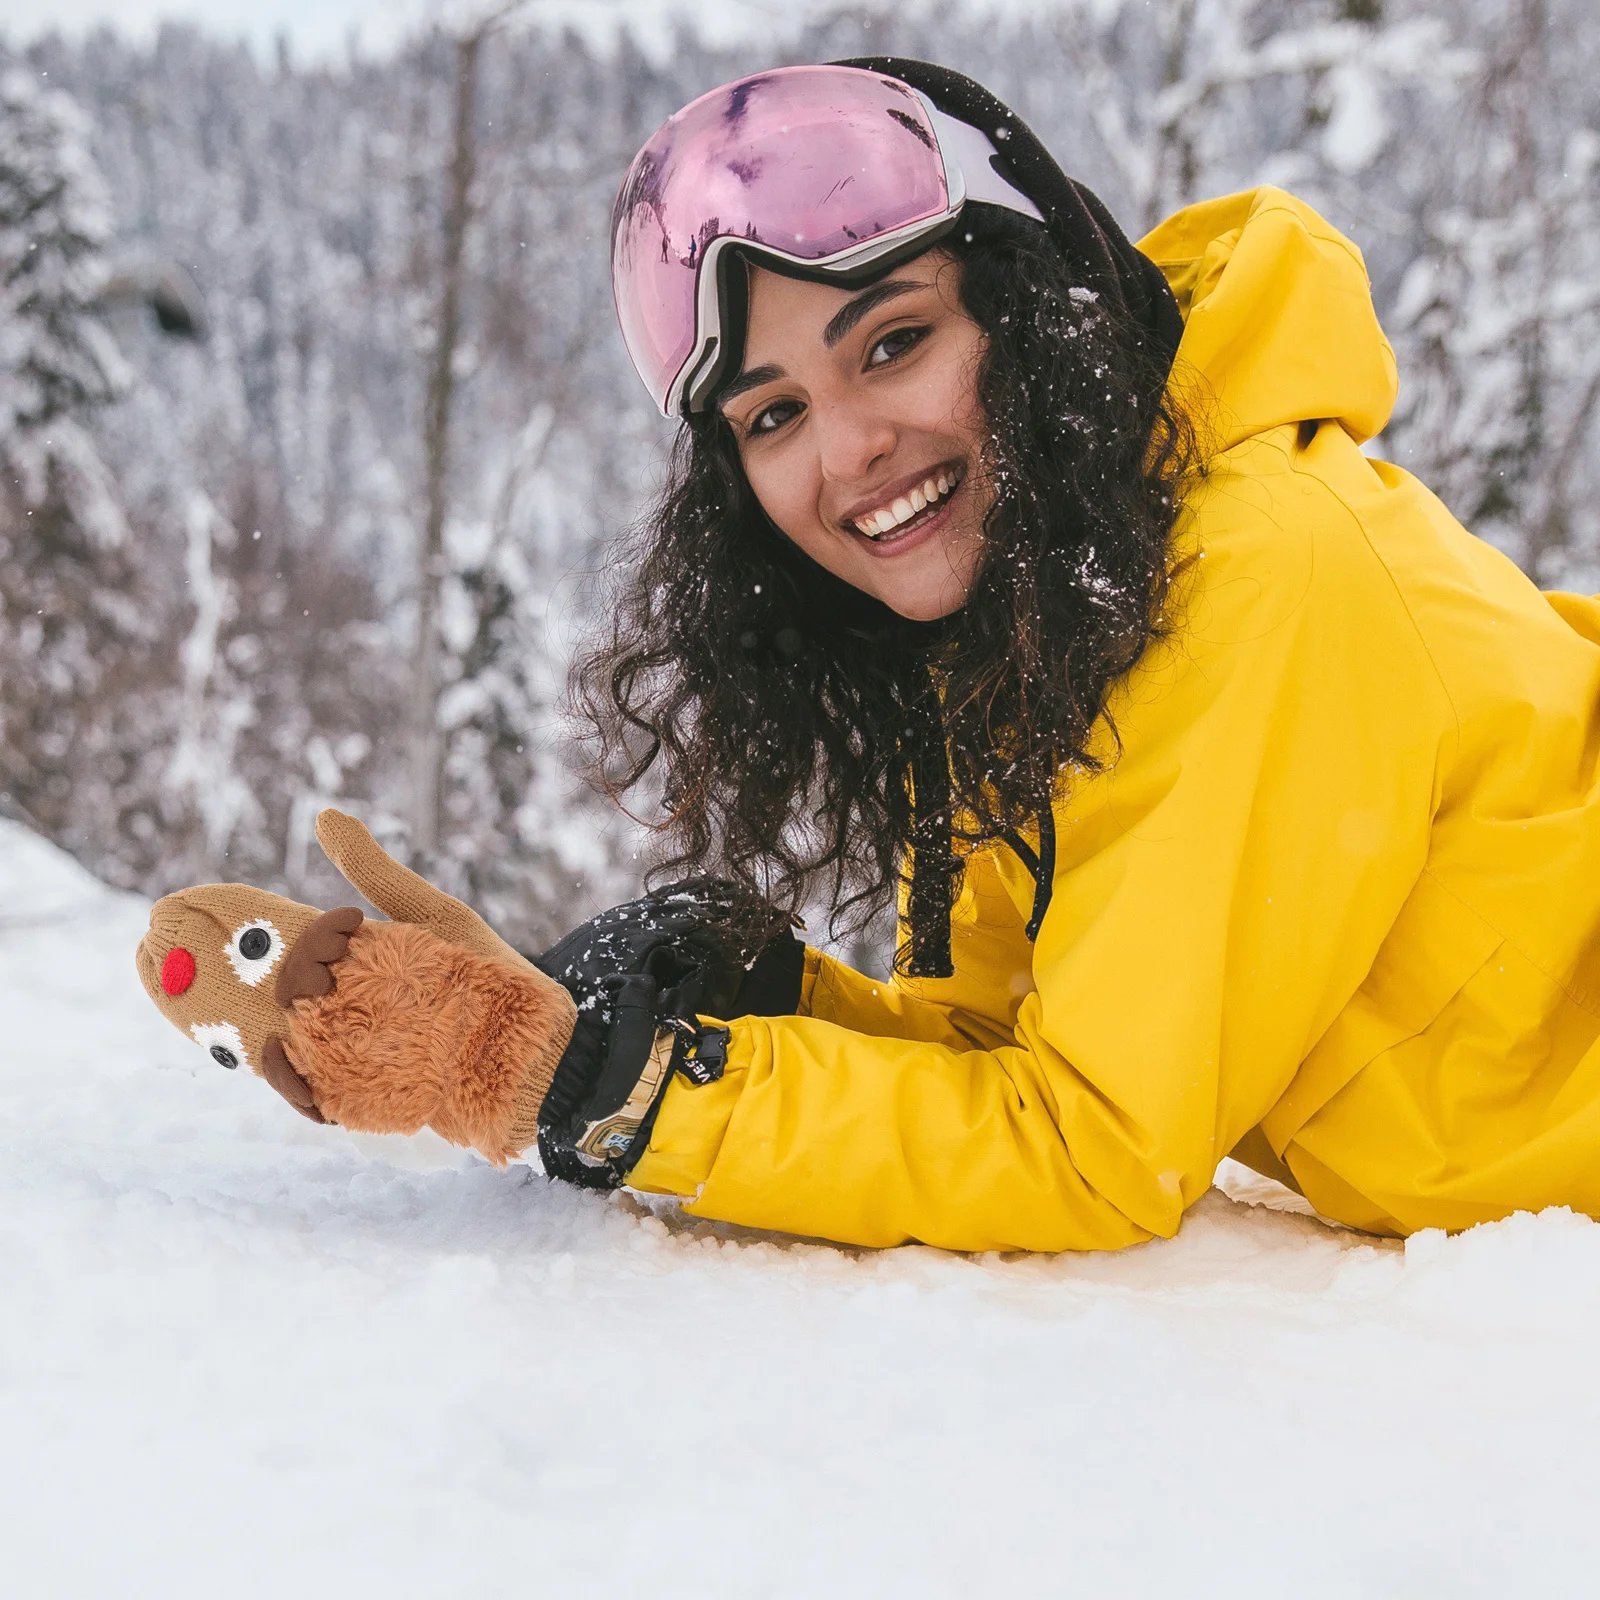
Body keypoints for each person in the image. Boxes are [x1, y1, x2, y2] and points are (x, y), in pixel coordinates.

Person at [154, 59, 1600, 1254]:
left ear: (1028, 315)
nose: (849, 454)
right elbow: (1019, 1041)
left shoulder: (1261, 575)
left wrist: (609, 1089)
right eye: (772, 417)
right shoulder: (1059, 595)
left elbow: (1091, 1145)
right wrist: (761, 999)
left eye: (894, 344)